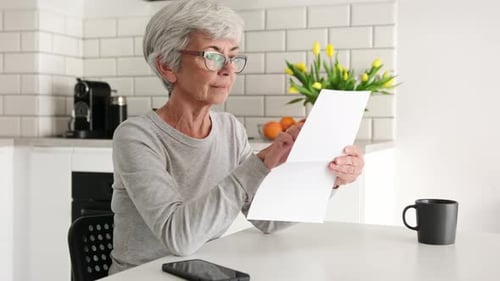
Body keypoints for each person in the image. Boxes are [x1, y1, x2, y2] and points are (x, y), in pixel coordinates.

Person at [109, 0, 364, 274]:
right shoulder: (136, 136)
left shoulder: (229, 129)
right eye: (213, 55)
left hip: (201, 271)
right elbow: (179, 238)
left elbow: (267, 220)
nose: (228, 69)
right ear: (167, 66)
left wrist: (328, 177)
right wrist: (261, 163)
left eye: (232, 56)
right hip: (143, 275)